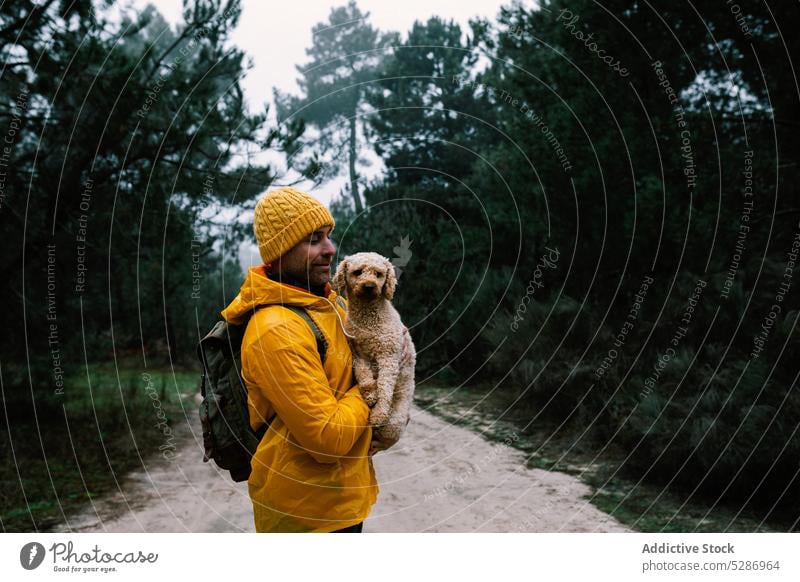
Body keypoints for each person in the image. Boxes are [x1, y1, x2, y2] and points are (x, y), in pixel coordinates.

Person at [220, 187, 405, 533]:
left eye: (329, 237)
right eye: (313, 239)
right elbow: (327, 437)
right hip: (305, 512)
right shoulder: (275, 329)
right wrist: (374, 386)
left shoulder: (329, 306)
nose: (331, 249)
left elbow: (382, 349)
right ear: (279, 250)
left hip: (341, 499)